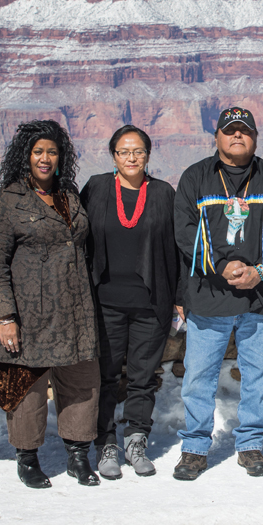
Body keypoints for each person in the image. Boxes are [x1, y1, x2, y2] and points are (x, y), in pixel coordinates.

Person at [173, 107, 263, 480]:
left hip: (260, 297)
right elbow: (184, 231)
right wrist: (222, 267)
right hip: (208, 294)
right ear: (217, 137)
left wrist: (258, 271)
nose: (237, 136)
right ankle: (195, 447)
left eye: (245, 131)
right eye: (231, 131)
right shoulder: (196, 177)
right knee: (198, 376)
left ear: (255, 137)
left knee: (258, 375)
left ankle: (250, 445)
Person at [0, 120, 101, 489]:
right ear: (25, 156)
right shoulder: (7, 200)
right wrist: (5, 316)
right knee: (26, 385)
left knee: (81, 382)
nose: (45, 158)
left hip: (75, 307)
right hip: (28, 310)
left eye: (52, 151)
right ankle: (28, 458)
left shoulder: (70, 196)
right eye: (38, 152)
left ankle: (78, 455)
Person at [80, 125, 182, 480]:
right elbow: (77, 238)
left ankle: (137, 440)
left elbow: (180, 249)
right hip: (104, 302)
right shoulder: (95, 188)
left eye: (138, 151)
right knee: (106, 377)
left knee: (142, 377)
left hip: (150, 304)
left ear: (148, 155)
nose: (132, 158)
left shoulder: (163, 193)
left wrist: (181, 299)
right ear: (113, 156)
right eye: (124, 151)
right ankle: (106, 443)